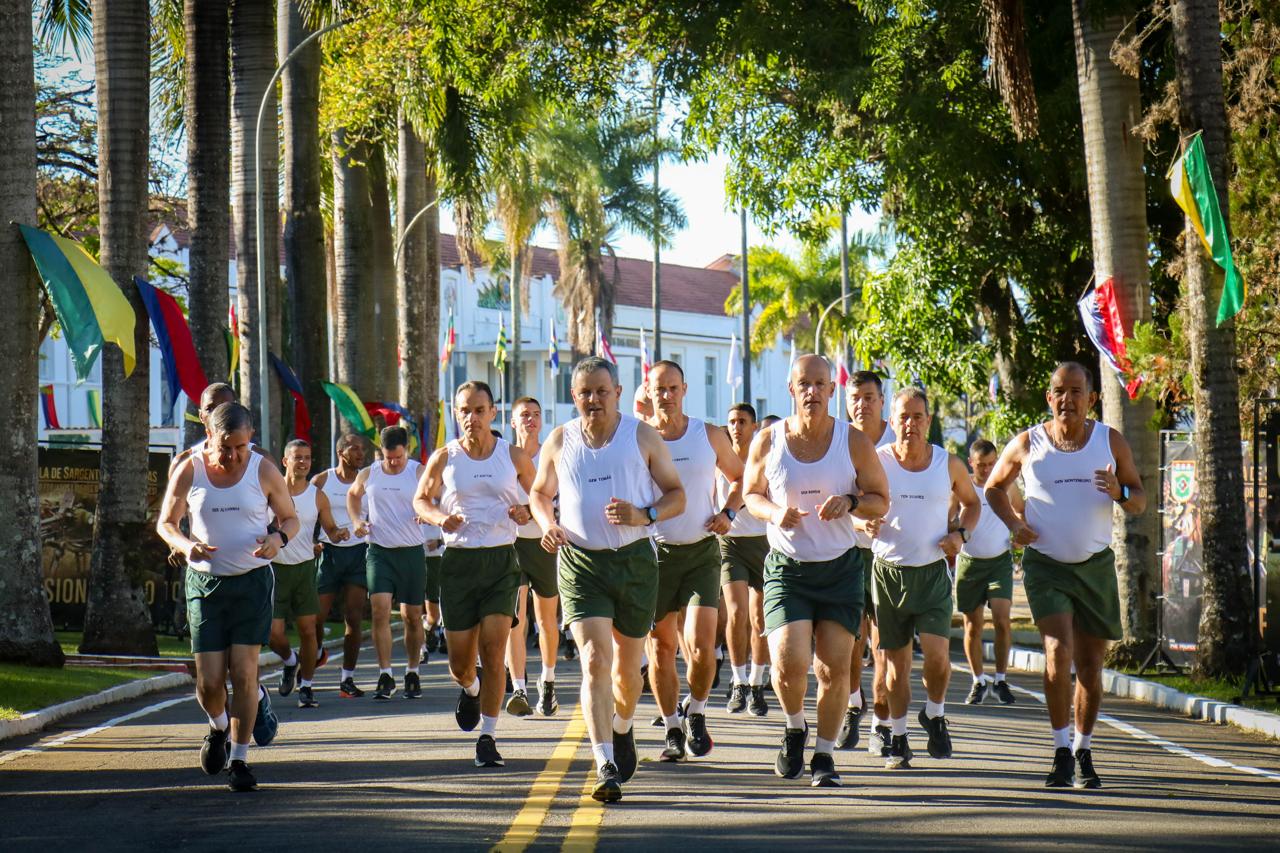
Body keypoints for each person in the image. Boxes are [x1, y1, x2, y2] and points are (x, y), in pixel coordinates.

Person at [530, 357, 685, 803]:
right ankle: (604, 762)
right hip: (581, 563)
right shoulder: (561, 440)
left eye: (601, 391)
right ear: (574, 396)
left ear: (617, 392)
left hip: (635, 561)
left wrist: (644, 514)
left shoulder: (641, 436)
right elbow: (540, 493)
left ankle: (622, 727)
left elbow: (677, 495)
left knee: (627, 671)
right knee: (596, 659)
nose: (593, 400)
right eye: (584, 393)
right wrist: (547, 523)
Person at [985, 362, 1145, 789]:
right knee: (1057, 653)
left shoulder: (1109, 442)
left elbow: (1140, 500)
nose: (1067, 399)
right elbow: (994, 488)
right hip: (1045, 565)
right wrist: (1015, 526)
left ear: (1091, 398)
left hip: (1094, 567)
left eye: (1077, 391)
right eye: (1060, 391)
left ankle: (1083, 749)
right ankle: (1059, 752)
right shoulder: (1027, 443)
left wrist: (1120, 492)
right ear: (1049, 398)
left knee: (1090, 666)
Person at [743, 355, 889, 788]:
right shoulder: (768, 441)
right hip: (788, 568)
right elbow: (750, 493)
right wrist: (772, 512)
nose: (812, 391)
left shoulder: (854, 442)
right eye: (803, 384)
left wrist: (852, 503)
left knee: (833, 668)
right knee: (788, 663)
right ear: (791, 389)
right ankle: (794, 727)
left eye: (820, 384)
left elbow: (881, 498)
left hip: (840, 568)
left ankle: (824, 755)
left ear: (831, 390)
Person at [156, 402, 299, 792]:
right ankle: (218, 726)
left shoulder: (263, 469)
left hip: (252, 582)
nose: (233, 455)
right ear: (210, 437)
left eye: (240, 446)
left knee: (244, 671)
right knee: (209, 683)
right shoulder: (190, 468)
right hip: (205, 585)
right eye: (225, 447)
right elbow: (166, 523)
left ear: (249, 439)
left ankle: (239, 759)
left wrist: (277, 539)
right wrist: (187, 546)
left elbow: (290, 517)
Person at [415, 381, 535, 767]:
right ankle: (470, 688)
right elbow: (421, 499)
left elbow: (542, 496)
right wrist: (440, 517)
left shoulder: (512, 456)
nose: (472, 418)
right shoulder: (444, 458)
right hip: (459, 564)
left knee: (495, 648)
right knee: (460, 663)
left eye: (479, 410)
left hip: (501, 562)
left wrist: (527, 512)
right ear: (456, 414)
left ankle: (488, 735)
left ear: (493, 413)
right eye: (464, 410)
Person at [869, 387, 980, 770]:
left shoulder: (947, 464)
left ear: (929, 422)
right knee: (895, 666)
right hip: (888, 574)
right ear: (892, 421)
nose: (910, 424)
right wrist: (860, 520)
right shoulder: (877, 461)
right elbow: (855, 501)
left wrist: (960, 535)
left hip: (932, 573)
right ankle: (898, 737)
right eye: (903, 417)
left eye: (918, 417)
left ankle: (934, 713)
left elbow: (972, 503)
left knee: (936, 659)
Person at [644, 360, 745, 761]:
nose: (666, 396)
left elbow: (741, 478)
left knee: (703, 647)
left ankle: (697, 711)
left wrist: (729, 513)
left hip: (703, 549)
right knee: (661, 646)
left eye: (672, 388)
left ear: (684, 389)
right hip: (656, 554)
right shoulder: (640, 438)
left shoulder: (708, 434)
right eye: (658, 390)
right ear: (649, 393)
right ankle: (671, 726)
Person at [347, 426, 428, 701]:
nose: (394, 463)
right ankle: (385, 674)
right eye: (389, 457)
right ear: (380, 452)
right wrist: (358, 521)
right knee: (379, 611)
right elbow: (353, 496)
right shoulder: (370, 473)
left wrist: (427, 513)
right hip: (379, 551)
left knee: (412, 616)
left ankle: (413, 671)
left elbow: (436, 496)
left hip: (411, 552)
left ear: (408, 451)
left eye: (399, 457)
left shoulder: (417, 472)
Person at [839, 371, 896, 753]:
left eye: (869, 397)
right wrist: (860, 518)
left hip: (891, 554)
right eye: (855, 397)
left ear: (882, 401)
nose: (862, 404)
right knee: (847, 643)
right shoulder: (836, 441)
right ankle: (851, 703)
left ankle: (881, 721)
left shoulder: (900, 440)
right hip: (847, 551)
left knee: (884, 645)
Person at [269, 439, 350, 708]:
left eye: (307, 457)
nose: (303, 462)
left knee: (307, 630)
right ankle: (290, 662)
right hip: (274, 569)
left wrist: (339, 534)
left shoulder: (317, 496)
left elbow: (330, 529)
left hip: (304, 569)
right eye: (297, 457)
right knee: (272, 633)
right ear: (285, 461)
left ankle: (306, 686)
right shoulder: (269, 490)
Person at [505, 396, 563, 717]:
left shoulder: (550, 455)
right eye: (524, 415)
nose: (531, 420)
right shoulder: (504, 456)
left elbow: (556, 500)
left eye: (536, 415)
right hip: (511, 545)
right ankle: (519, 688)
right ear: (512, 422)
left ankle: (548, 681)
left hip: (543, 544)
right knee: (517, 619)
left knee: (545, 619)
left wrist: (530, 511)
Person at [955, 438, 1022, 705]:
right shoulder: (962, 486)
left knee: (1002, 620)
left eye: (991, 464)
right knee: (972, 625)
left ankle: (1001, 679)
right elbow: (947, 516)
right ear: (971, 463)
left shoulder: (1006, 486)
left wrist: (1019, 532)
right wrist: (950, 531)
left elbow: (1021, 511)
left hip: (999, 562)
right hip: (969, 563)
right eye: (981, 465)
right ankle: (978, 681)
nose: (986, 469)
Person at [719, 403, 772, 717]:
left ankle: (756, 681)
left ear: (754, 427)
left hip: (763, 542)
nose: (736, 427)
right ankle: (738, 680)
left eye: (742, 422)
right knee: (736, 613)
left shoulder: (762, 459)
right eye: (732, 421)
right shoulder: (719, 458)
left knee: (758, 618)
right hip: (730, 544)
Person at [312, 434, 371, 698]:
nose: (360, 453)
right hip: (330, 553)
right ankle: (316, 654)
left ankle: (347, 678)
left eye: (363, 449)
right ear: (340, 451)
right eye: (354, 449)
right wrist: (313, 541)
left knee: (354, 617)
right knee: (316, 617)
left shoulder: (368, 480)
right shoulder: (323, 480)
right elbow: (303, 511)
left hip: (359, 553)